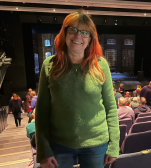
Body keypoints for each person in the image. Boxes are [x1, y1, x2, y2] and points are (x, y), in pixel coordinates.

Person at [35, 10, 119, 168]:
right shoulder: (49, 65)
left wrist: (114, 145)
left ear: (90, 39)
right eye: (72, 29)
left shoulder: (101, 65)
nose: (78, 36)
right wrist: (44, 150)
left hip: (96, 144)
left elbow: (110, 107)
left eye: (84, 32)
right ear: (64, 33)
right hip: (59, 144)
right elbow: (41, 111)